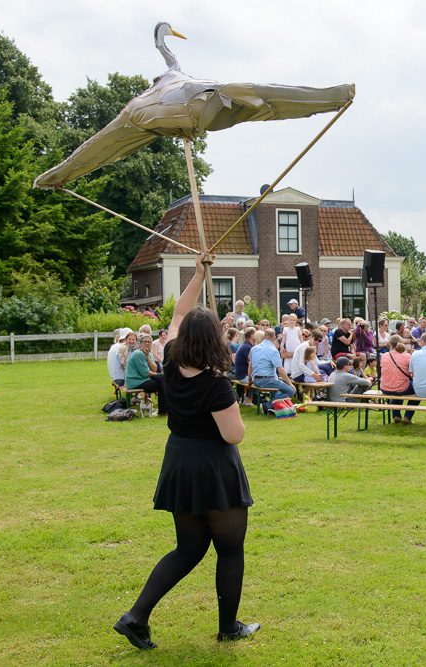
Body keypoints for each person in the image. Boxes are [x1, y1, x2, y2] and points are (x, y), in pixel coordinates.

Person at [114, 253, 258, 649]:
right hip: (212, 468)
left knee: (188, 548)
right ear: (213, 339)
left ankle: (135, 617)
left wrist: (197, 275)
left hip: (179, 462)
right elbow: (234, 435)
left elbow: (178, 314)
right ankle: (229, 627)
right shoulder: (215, 384)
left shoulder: (171, 363)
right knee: (229, 549)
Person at [248, 329, 295, 405]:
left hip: (256, 380)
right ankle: (267, 405)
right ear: (274, 337)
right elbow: (281, 371)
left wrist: (250, 380)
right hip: (267, 380)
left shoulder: (254, 348)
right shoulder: (273, 350)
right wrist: (290, 384)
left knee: (279, 385)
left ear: (264, 336)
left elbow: (250, 367)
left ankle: (274, 406)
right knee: (291, 390)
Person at [380, 335, 418, 423]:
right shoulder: (407, 356)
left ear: (389, 344)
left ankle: (396, 415)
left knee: (397, 386)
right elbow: (412, 373)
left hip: (385, 388)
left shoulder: (384, 356)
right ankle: (408, 416)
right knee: (418, 391)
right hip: (401, 388)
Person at [126, 333, 166, 416]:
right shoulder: (138, 354)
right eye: (145, 341)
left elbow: (154, 368)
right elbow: (145, 373)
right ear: (140, 344)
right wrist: (158, 375)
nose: (147, 343)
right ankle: (163, 411)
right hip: (135, 382)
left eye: (149, 342)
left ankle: (163, 411)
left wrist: (147, 356)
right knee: (162, 381)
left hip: (143, 379)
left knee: (162, 381)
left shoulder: (148, 353)